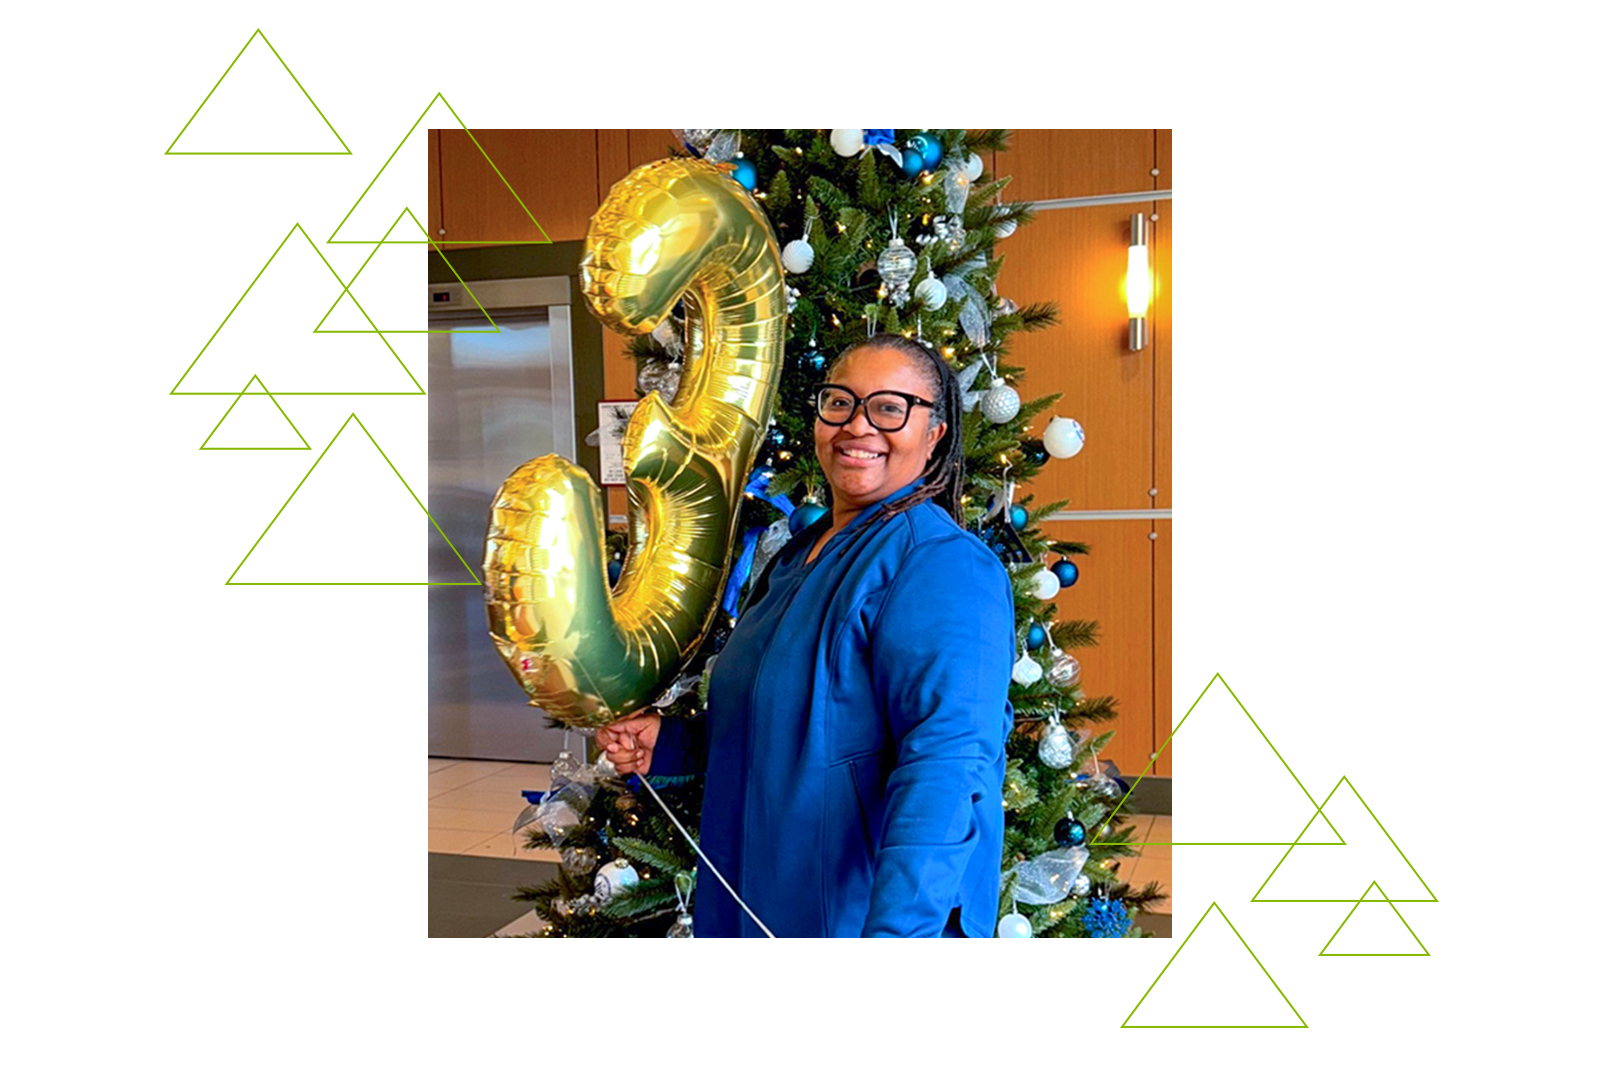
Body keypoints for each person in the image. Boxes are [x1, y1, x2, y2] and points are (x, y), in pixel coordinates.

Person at [597, 335, 1015, 937]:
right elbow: (783, 720)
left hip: (851, 916)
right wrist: (670, 743)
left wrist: (897, 939)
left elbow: (947, 769)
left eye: (891, 408)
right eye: (840, 402)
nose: (857, 426)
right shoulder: (798, 557)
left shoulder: (941, 565)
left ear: (935, 433)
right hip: (752, 887)